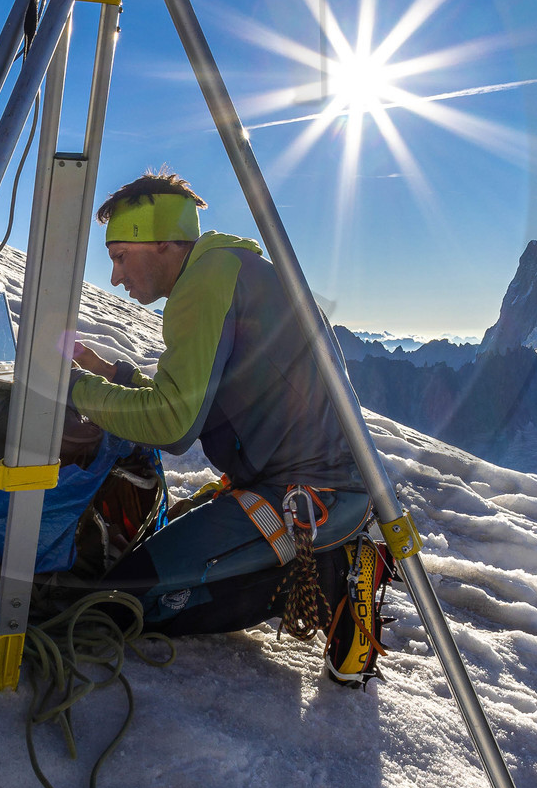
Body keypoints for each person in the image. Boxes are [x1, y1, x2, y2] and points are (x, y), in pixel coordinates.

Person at [67, 172, 371, 655]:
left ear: (163, 244)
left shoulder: (206, 283)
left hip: (308, 497)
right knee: (127, 578)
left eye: (120, 257)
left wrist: (74, 389)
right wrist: (110, 375)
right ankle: (321, 556)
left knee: (113, 603)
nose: (116, 277)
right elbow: (195, 398)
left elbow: (173, 424)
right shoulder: (223, 268)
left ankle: (333, 570)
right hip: (303, 478)